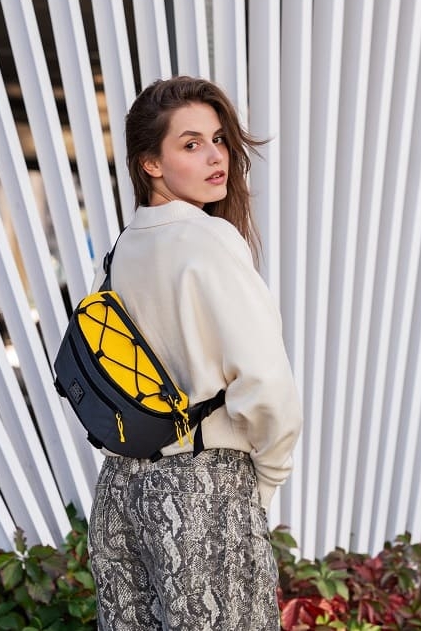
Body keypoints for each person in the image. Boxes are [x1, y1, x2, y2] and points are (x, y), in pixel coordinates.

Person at [87, 76, 302, 631]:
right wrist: (264, 482)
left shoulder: (121, 249)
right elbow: (266, 384)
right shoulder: (211, 240)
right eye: (191, 144)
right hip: (205, 487)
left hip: (118, 492)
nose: (215, 156)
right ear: (150, 163)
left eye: (219, 139)